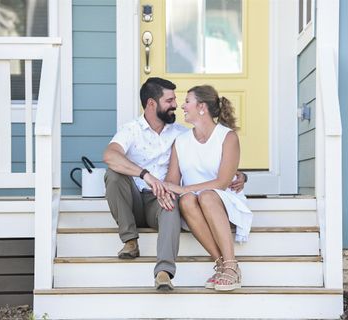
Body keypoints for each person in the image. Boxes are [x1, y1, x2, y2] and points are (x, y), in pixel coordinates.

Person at [103, 77, 247, 291]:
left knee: (176, 202)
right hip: (137, 196)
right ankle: (130, 240)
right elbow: (110, 155)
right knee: (115, 176)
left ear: (201, 107)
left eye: (182, 100)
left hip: (178, 197)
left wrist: (241, 176)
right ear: (152, 103)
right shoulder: (133, 130)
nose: (177, 105)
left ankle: (166, 272)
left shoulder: (182, 133)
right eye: (170, 100)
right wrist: (150, 178)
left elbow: (217, 165)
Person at [161, 85, 253, 291]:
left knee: (208, 196)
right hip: (193, 205)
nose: (182, 106)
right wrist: (173, 191)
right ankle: (220, 264)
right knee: (187, 199)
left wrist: (185, 189)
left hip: (223, 200)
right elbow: (172, 182)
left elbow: (222, 182)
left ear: (201, 107)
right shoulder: (181, 141)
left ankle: (232, 265)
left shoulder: (227, 137)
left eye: (187, 102)